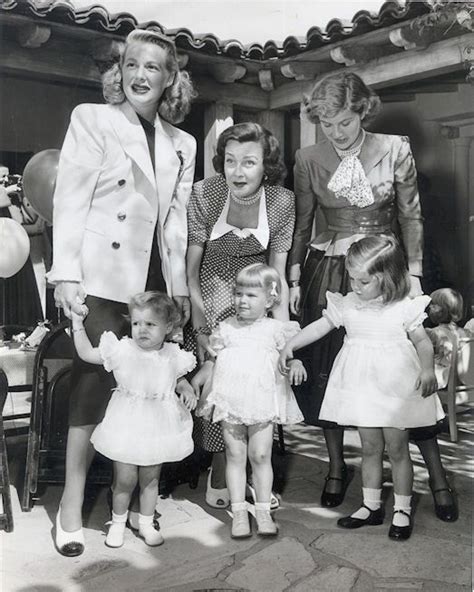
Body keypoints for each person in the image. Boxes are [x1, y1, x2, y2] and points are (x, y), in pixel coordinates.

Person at [46, 28, 197, 556]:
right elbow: (69, 200)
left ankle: (134, 506)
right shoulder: (94, 120)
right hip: (102, 276)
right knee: (93, 387)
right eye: (132, 64)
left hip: (154, 283)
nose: (139, 75)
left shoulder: (184, 143)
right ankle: (69, 506)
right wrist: (65, 275)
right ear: (120, 70)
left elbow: (175, 225)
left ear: (169, 78)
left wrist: (179, 292)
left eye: (152, 67)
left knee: (146, 392)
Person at [287, 71, 457, 521]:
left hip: (386, 266)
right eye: (326, 123)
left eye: (343, 121)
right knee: (330, 369)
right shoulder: (307, 157)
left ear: (362, 109)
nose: (336, 132)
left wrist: (415, 275)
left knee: (398, 373)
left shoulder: (394, 147)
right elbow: (304, 224)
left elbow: (411, 216)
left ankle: (436, 477)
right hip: (328, 269)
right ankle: (337, 471)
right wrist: (290, 275)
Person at [281, 236, 444, 541]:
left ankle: (402, 508)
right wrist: (292, 343)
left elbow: (422, 341)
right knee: (369, 447)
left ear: (387, 277)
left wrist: (426, 369)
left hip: (395, 387)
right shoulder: (348, 303)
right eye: (352, 278)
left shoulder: (403, 307)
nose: (355, 286)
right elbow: (320, 326)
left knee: (397, 449)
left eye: (363, 281)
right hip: (361, 387)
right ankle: (371, 505)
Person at [186, 122, 294, 510]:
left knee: (259, 387)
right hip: (211, 296)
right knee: (221, 386)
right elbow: (190, 270)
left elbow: (277, 276)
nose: (238, 171)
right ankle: (221, 475)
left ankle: (252, 475)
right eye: (230, 161)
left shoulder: (281, 201)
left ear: (267, 165)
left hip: (256, 296)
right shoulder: (206, 192)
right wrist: (201, 330)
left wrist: (282, 339)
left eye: (249, 162)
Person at [69, 292, 197, 548]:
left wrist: (186, 388)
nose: (142, 330)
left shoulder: (173, 354)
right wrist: (77, 324)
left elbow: (175, 377)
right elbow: (86, 354)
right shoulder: (122, 349)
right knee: (125, 479)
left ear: (168, 327)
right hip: (127, 424)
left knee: (150, 480)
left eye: (150, 324)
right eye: (137, 323)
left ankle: (146, 523)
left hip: (158, 426)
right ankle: (117, 523)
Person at [194, 264, 305, 538]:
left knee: (261, 454)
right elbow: (213, 357)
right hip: (231, 400)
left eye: (251, 296)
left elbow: (288, 354)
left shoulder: (276, 329)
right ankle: (239, 511)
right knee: (234, 454)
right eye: (239, 294)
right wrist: (205, 373)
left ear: (269, 300)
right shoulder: (226, 328)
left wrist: (296, 362)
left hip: (262, 399)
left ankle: (264, 509)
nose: (242, 300)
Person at [426, 288, 472, 390]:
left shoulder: (433, 333)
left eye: (434, 304)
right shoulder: (467, 334)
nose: (430, 306)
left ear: (445, 309)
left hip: (445, 382)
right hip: (466, 383)